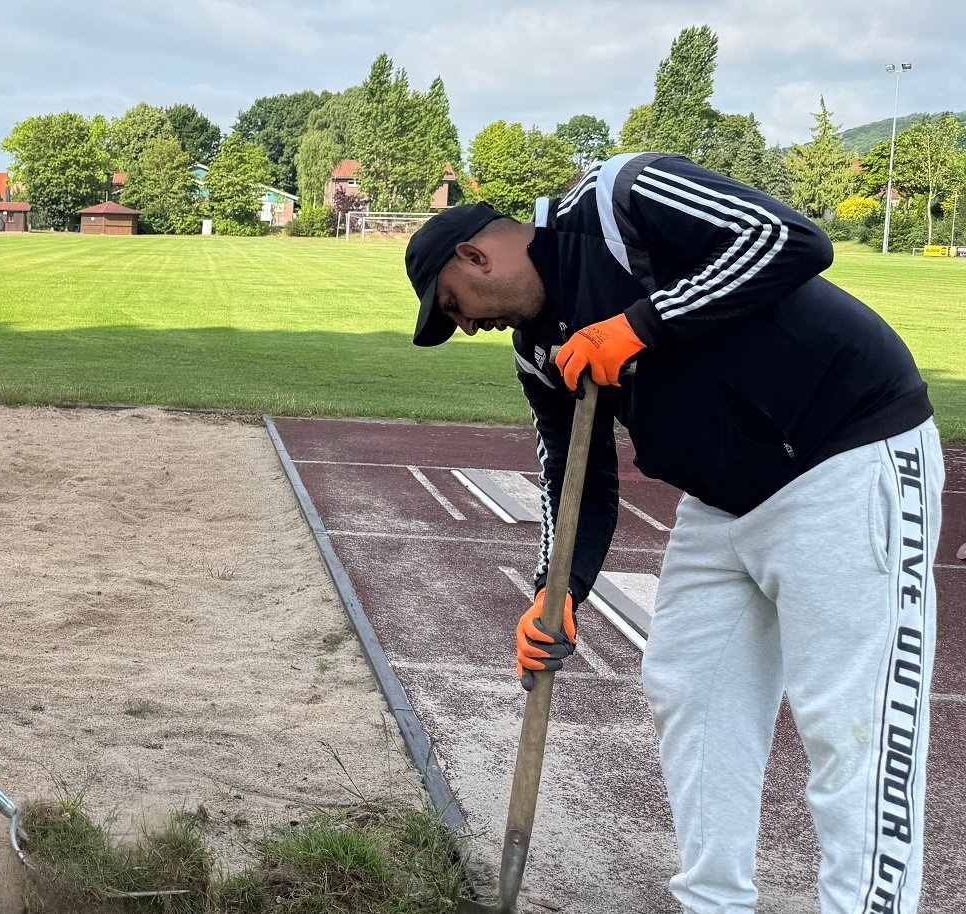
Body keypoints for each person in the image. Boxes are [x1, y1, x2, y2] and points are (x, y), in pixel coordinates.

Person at [402, 153, 938, 914]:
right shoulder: (536, 350)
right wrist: (557, 591)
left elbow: (789, 239)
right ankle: (713, 902)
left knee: (853, 723)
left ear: (475, 253)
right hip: (722, 501)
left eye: (455, 306)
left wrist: (638, 326)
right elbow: (573, 477)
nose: (468, 327)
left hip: (845, 454)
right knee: (690, 686)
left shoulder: (620, 201)